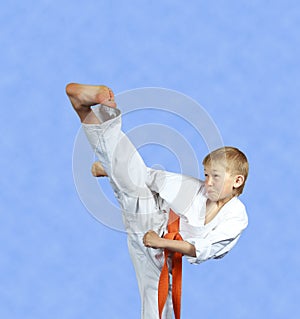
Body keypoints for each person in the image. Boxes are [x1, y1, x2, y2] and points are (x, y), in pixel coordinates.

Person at [66, 83, 249, 319]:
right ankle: (84, 108)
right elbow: (150, 176)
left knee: (159, 296)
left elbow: (198, 248)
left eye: (215, 176)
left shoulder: (237, 217)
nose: (208, 182)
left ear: (237, 181)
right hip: (153, 225)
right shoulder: (197, 189)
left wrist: (161, 243)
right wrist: (113, 171)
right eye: (206, 174)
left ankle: (86, 110)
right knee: (155, 293)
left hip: (159, 242)